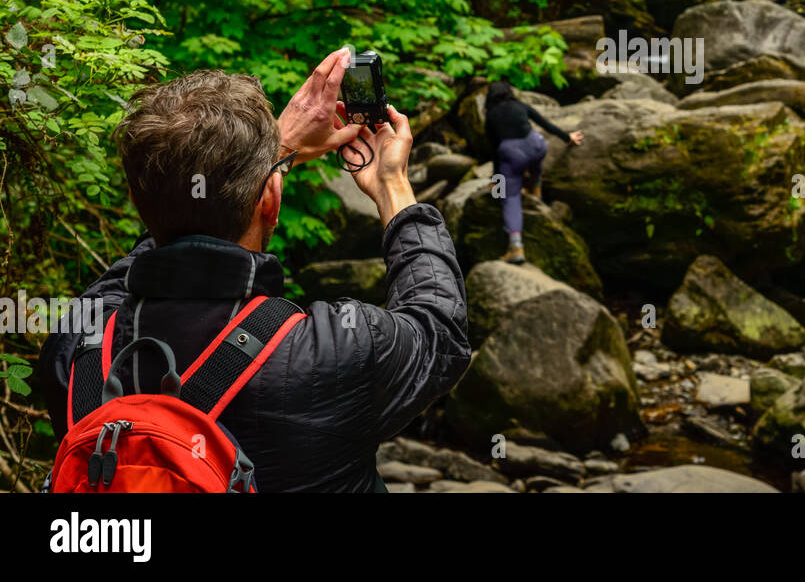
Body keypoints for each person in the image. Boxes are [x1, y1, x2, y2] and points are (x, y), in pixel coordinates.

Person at [37, 48, 471, 492]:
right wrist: (392, 185)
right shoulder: (338, 351)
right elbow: (439, 328)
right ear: (271, 200)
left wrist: (271, 157)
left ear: (134, 198)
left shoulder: (78, 345)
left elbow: (155, 236)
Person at [484, 80, 582, 263]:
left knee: (509, 198)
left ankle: (516, 247)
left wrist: (497, 182)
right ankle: (535, 188)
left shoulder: (491, 117)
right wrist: (567, 137)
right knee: (535, 153)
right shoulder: (519, 105)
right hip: (536, 146)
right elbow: (545, 124)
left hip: (512, 155)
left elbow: (495, 151)